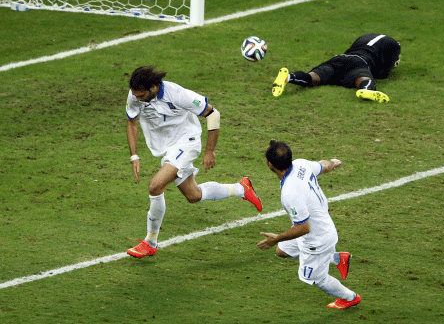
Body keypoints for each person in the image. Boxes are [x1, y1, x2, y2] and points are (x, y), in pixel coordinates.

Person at [125, 65, 262, 258]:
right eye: (135, 96)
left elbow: (213, 114)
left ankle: (150, 242)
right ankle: (241, 188)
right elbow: (131, 121)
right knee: (194, 195)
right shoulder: (135, 95)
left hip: (186, 143)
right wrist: (134, 156)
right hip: (167, 149)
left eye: (141, 96)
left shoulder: (178, 94)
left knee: (155, 186)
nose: (137, 100)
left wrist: (210, 151)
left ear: (153, 88)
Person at [257, 140, 361, 309]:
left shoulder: (290, 193)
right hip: (320, 229)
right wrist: (333, 163)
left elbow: (303, 228)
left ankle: (350, 298)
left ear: (270, 164)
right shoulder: (300, 164)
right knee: (282, 251)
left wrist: (275, 238)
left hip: (317, 240)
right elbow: (323, 166)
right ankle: (337, 258)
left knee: (315, 278)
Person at [272, 33, 401, 103]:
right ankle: (366, 90)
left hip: (339, 58)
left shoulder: (365, 36)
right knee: (364, 78)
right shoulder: (394, 45)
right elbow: (382, 74)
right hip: (359, 62)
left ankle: (288, 77)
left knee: (313, 77)